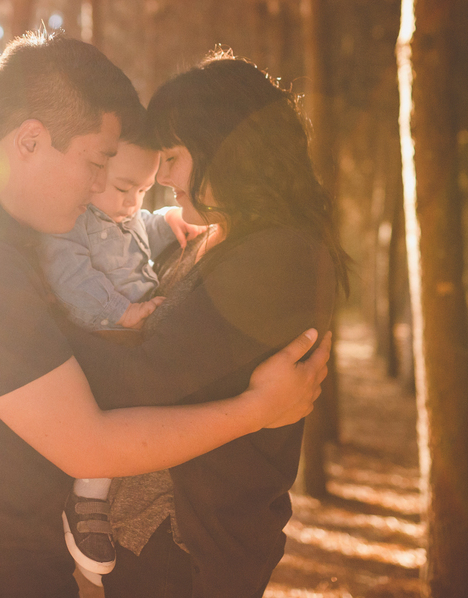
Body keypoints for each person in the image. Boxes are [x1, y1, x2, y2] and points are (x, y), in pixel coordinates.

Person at [0, 32, 331, 598]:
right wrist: (258, 408)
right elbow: (88, 443)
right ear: (30, 141)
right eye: (95, 162)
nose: (98, 188)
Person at [64, 54, 348, 597]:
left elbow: (143, 372)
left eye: (173, 157)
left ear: (229, 150)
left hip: (187, 551)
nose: (163, 176)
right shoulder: (223, 239)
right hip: (157, 543)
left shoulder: (279, 257)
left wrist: (23, 333)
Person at [38, 135, 204, 581]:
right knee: (111, 410)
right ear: (95, 176)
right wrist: (122, 312)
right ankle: (88, 497)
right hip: (100, 334)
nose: (133, 202)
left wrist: (166, 218)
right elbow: (68, 272)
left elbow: (138, 234)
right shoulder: (75, 221)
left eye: (144, 191)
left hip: (129, 332)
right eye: (124, 187)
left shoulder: (123, 213)